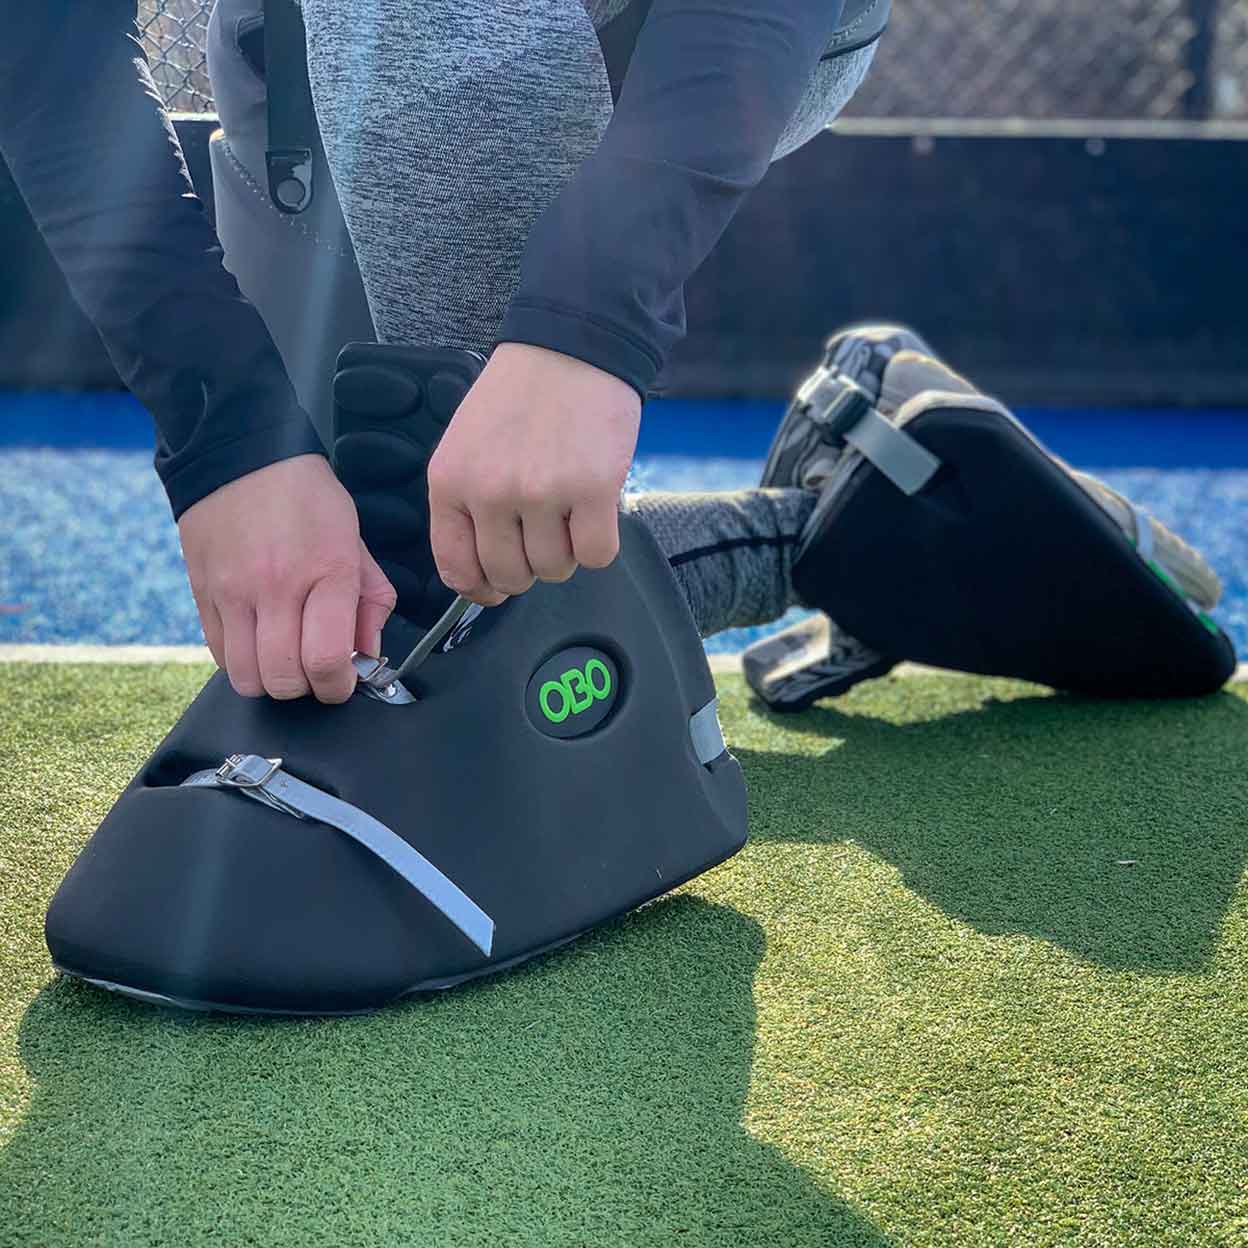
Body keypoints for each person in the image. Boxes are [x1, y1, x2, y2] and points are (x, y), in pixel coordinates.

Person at [0, 0, 890, 703]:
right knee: (380, 579)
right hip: (316, 30)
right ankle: (850, 523)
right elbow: (47, 37)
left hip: (736, 29)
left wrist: (583, 328)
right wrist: (229, 439)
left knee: (470, 620)